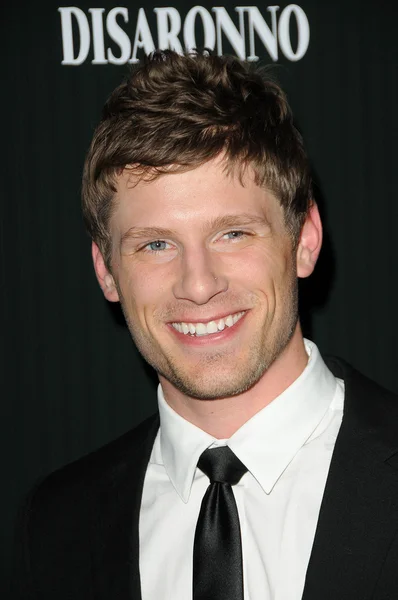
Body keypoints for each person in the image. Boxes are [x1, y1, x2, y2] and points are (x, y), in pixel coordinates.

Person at [15, 50, 398, 600]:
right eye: (155, 244)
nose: (198, 285)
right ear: (106, 271)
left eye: (233, 233)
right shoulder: (53, 527)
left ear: (305, 239)